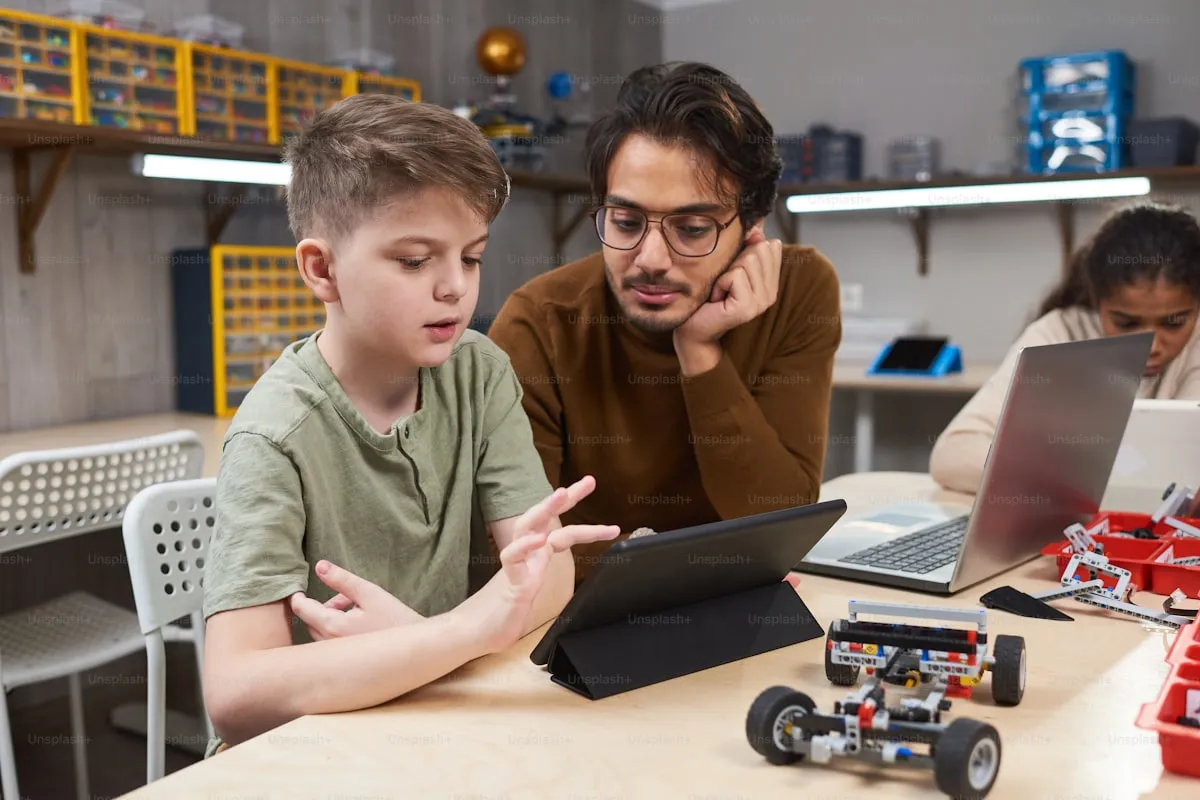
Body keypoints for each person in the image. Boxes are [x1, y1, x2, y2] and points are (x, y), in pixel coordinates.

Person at [199, 94, 620, 753]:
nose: (454, 286)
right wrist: (461, 632)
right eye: (416, 260)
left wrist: (424, 638)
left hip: (426, 718)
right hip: (309, 757)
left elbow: (549, 575)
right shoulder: (274, 435)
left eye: (471, 256)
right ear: (322, 269)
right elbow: (236, 695)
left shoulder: (476, 371)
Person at [486, 62, 842, 581]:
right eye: (626, 221)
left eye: (693, 228)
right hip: (577, 620)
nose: (650, 258)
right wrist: (704, 564)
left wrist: (699, 352)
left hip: (732, 608)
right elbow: (524, 552)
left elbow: (778, 519)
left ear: (751, 230)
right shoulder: (539, 323)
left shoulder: (801, 288)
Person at [930, 200, 1200, 495]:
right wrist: (1070, 481)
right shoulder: (1059, 333)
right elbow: (954, 454)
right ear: (1096, 301)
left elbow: (1183, 463)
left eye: (1174, 323)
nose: (1152, 346)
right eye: (1125, 323)